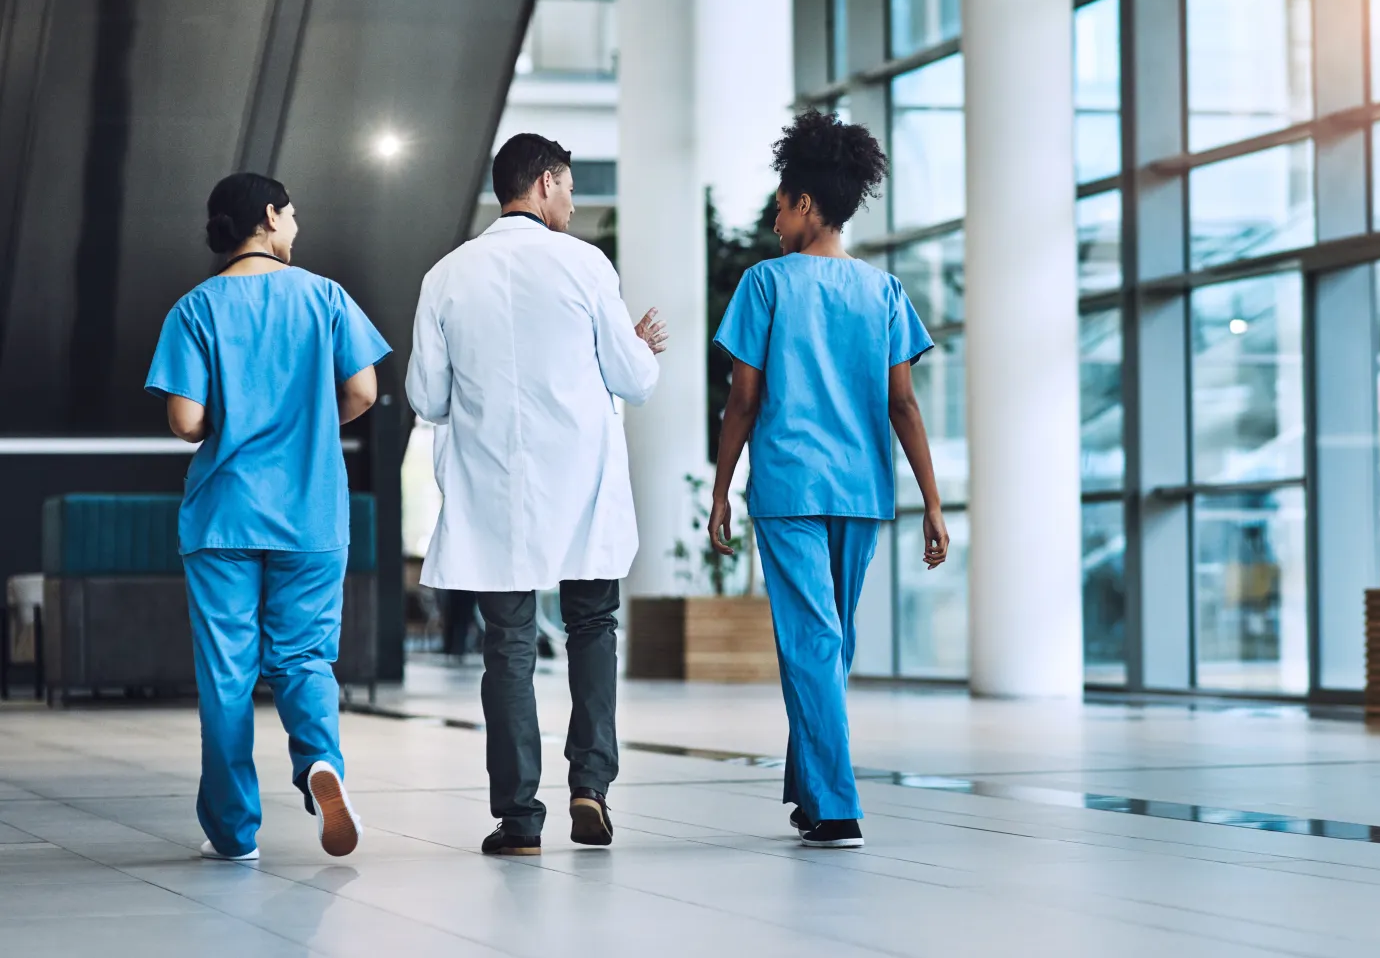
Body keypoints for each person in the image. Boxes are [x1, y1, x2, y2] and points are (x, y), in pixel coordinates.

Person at [406, 133, 667, 856]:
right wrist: (638, 345)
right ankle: (590, 785)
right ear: (546, 183)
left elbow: (426, 396)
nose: (574, 202)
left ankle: (519, 819)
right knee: (592, 628)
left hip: (497, 491)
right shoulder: (585, 265)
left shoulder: (447, 276)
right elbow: (634, 379)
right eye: (572, 188)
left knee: (509, 648)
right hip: (582, 488)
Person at [709, 111, 948, 850]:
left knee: (814, 644)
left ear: (806, 204)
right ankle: (813, 793)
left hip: (788, 489)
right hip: (862, 491)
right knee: (828, 646)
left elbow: (743, 400)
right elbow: (902, 404)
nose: (776, 221)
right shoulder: (883, 294)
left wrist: (720, 490)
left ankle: (837, 807)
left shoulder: (765, 284)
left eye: (781, 206)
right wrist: (931, 505)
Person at [146, 172, 391, 862]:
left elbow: (186, 419)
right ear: (269, 216)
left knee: (226, 673)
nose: (297, 226)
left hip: (223, 516)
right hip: (311, 511)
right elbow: (364, 392)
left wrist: (232, 424)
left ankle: (233, 832)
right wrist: (310, 420)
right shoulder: (326, 297)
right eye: (292, 213)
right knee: (304, 655)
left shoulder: (195, 309)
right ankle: (321, 766)